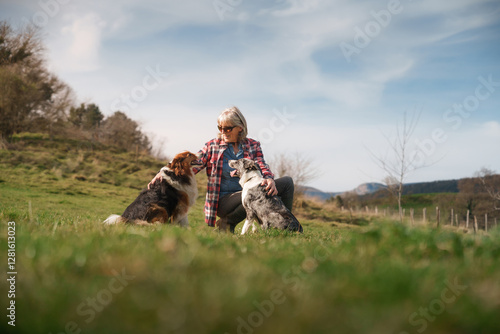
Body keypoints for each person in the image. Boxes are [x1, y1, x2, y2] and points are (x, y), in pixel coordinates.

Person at [149, 106, 295, 233]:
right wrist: (163, 172)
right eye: (220, 127)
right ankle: (227, 223)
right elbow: (191, 163)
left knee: (286, 182)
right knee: (252, 194)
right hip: (223, 201)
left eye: (228, 128)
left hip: (248, 194)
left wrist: (269, 178)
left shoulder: (253, 145)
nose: (223, 131)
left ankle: (284, 225)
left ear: (240, 128)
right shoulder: (212, 146)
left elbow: (261, 165)